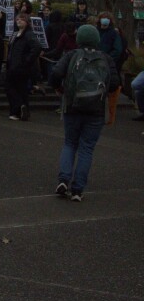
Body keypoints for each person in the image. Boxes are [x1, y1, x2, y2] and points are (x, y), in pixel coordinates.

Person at [49, 25, 120, 201]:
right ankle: (78, 189)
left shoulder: (71, 55)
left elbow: (55, 74)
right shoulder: (105, 58)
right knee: (87, 148)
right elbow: (115, 83)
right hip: (95, 110)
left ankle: (64, 179)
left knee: (70, 143)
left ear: (79, 39)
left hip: (72, 106)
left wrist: (60, 88)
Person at [5, 13, 42, 121]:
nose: (19, 21)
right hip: (13, 66)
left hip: (20, 67)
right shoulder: (15, 34)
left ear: (27, 22)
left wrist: (26, 61)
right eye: (17, 19)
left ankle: (17, 109)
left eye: (22, 19)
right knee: (19, 90)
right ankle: (21, 110)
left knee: (11, 88)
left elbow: (37, 47)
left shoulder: (29, 34)